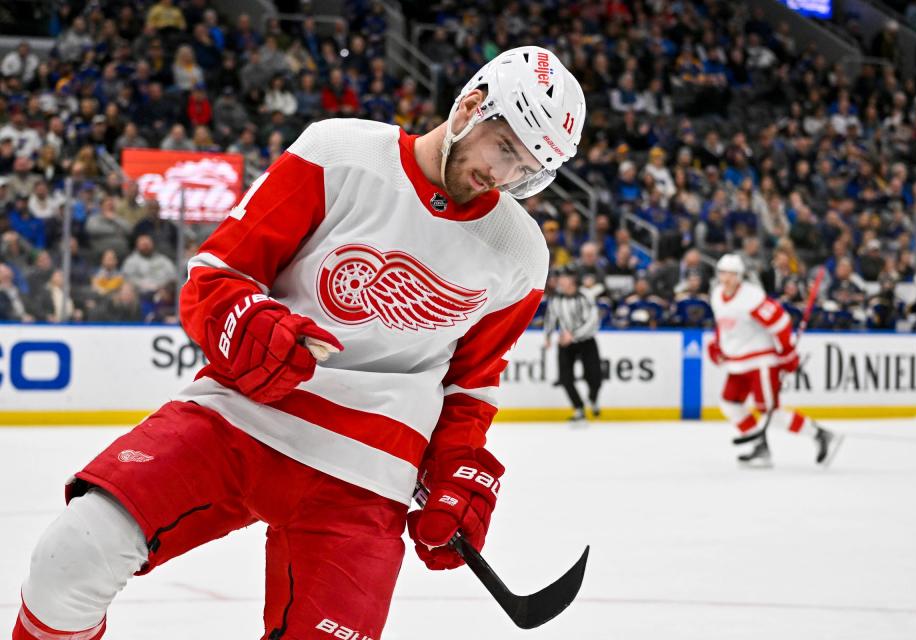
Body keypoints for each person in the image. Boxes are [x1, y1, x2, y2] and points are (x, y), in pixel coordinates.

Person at [13, 46, 585, 640]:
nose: (507, 176)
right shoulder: (338, 151)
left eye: (528, 169)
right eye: (506, 150)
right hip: (240, 416)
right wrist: (255, 327)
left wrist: (456, 473)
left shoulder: (520, 253)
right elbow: (216, 277)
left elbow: (471, 384)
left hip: (370, 471)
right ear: (471, 106)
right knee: (69, 559)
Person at [707, 254, 842, 467]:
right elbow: (722, 325)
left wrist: (787, 355)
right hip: (737, 362)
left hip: (760, 360)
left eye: (732, 274)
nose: (727, 279)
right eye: (723, 273)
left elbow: (780, 322)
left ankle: (820, 434)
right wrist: (716, 346)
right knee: (729, 404)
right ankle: (760, 447)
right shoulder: (716, 295)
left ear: (740, 276)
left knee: (770, 411)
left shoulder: (751, 297)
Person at [543, 270, 603, 424]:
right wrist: (548, 336)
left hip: (586, 340)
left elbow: (593, 320)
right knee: (565, 378)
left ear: (572, 279)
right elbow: (551, 317)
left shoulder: (585, 295)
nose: (560, 281)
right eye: (559, 278)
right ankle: (579, 408)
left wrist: (574, 335)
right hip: (565, 342)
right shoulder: (556, 298)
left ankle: (593, 399)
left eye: (564, 277)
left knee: (595, 375)